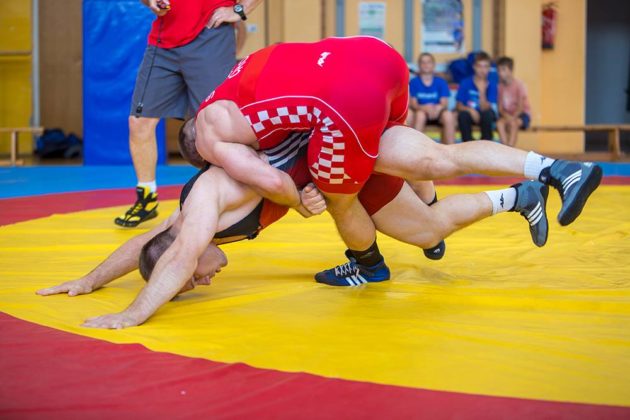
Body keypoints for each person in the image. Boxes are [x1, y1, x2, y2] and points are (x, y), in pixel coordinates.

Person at [191, 36, 602, 286]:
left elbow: (273, 182)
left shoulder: (212, 135)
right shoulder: (240, 76)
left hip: (343, 108)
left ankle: (367, 266)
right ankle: (548, 175)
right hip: (378, 59)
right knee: (435, 175)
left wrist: (301, 203)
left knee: (338, 200)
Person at [37, 131, 551, 329]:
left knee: (432, 182)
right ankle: (517, 197)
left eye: (192, 280)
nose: (204, 280)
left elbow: (172, 256)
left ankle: (537, 175)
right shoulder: (190, 223)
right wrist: (89, 280)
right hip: (331, 169)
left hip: (335, 149)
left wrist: (132, 314)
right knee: (426, 225)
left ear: (183, 257)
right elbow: (146, 247)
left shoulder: (202, 209)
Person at [115, 0, 262, 228]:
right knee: (139, 121)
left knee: (217, 124)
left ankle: (236, 200)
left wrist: (239, 10)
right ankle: (146, 196)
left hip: (210, 35)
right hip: (164, 40)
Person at [407, 53, 456, 144]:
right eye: (423, 62)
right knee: (420, 115)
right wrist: (425, 108)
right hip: (421, 112)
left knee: (448, 115)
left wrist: (437, 108)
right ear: (419, 65)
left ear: (433, 65)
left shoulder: (441, 82)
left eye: (429, 62)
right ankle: (417, 147)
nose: (426, 65)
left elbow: (444, 103)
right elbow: (413, 104)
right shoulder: (414, 82)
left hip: (437, 113)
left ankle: (450, 147)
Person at [455, 51, 498, 142]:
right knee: (463, 115)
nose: (482, 70)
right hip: (469, 113)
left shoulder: (492, 84)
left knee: (488, 114)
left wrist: (481, 90)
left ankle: (486, 144)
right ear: (474, 67)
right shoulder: (465, 82)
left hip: (484, 113)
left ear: (489, 68)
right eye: (480, 66)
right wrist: (471, 110)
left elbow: (485, 107)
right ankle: (468, 143)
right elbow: (458, 105)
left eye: (485, 66)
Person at [496, 56, 531, 147]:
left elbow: (520, 107)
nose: (500, 73)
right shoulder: (500, 87)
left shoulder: (519, 85)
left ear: (510, 70)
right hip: (507, 115)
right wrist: (507, 117)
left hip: (522, 115)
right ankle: (505, 148)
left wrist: (512, 118)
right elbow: (500, 108)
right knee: (499, 123)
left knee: (513, 124)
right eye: (498, 70)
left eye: (503, 69)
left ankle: (510, 148)